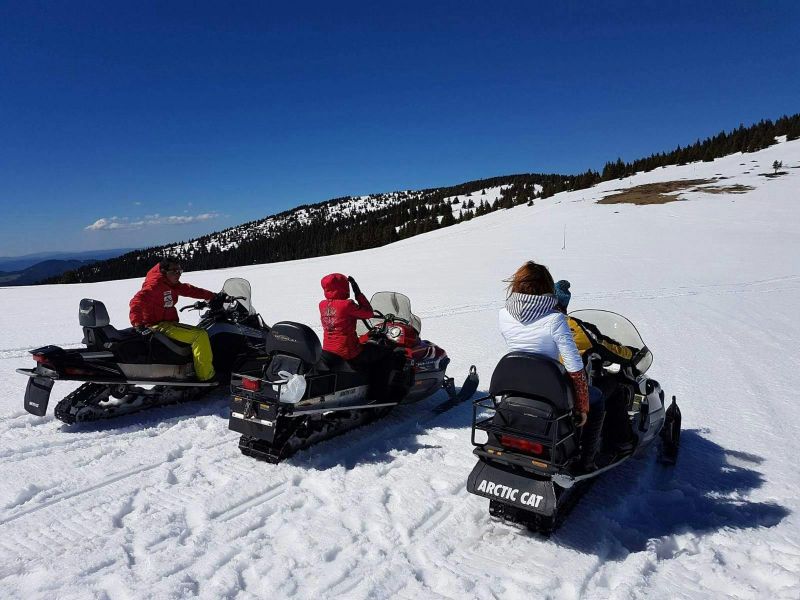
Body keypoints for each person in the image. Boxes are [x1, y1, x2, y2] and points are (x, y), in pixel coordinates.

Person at [498, 261, 604, 472]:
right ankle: (586, 461)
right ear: (547, 286)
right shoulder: (555, 319)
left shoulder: (503, 314)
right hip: (550, 388)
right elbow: (574, 367)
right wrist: (583, 407)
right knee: (598, 398)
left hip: (516, 383)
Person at [554, 279, 636, 454]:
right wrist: (630, 354)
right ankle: (619, 442)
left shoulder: (531, 324)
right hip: (569, 392)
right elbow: (605, 346)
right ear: (564, 303)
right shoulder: (573, 327)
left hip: (538, 386)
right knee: (613, 387)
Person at [319, 273, 408, 400]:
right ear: (343, 287)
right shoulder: (347, 305)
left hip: (329, 351)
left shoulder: (322, 305)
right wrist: (358, 293)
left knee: (369, 348)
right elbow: (368, 313)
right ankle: (378, 395)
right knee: (388, 354)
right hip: (348, 352)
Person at [129, 257, 219, 381]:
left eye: (180, 271)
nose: (178, 274)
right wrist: (137, 323)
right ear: (164, 271)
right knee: (200, 335)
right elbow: (136, 301)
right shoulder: (155, 285)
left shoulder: (171, 283)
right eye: (174, 271)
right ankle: (206, 376)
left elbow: (189, 290)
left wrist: (213, 296)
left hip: (166, 323)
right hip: (157, 325)